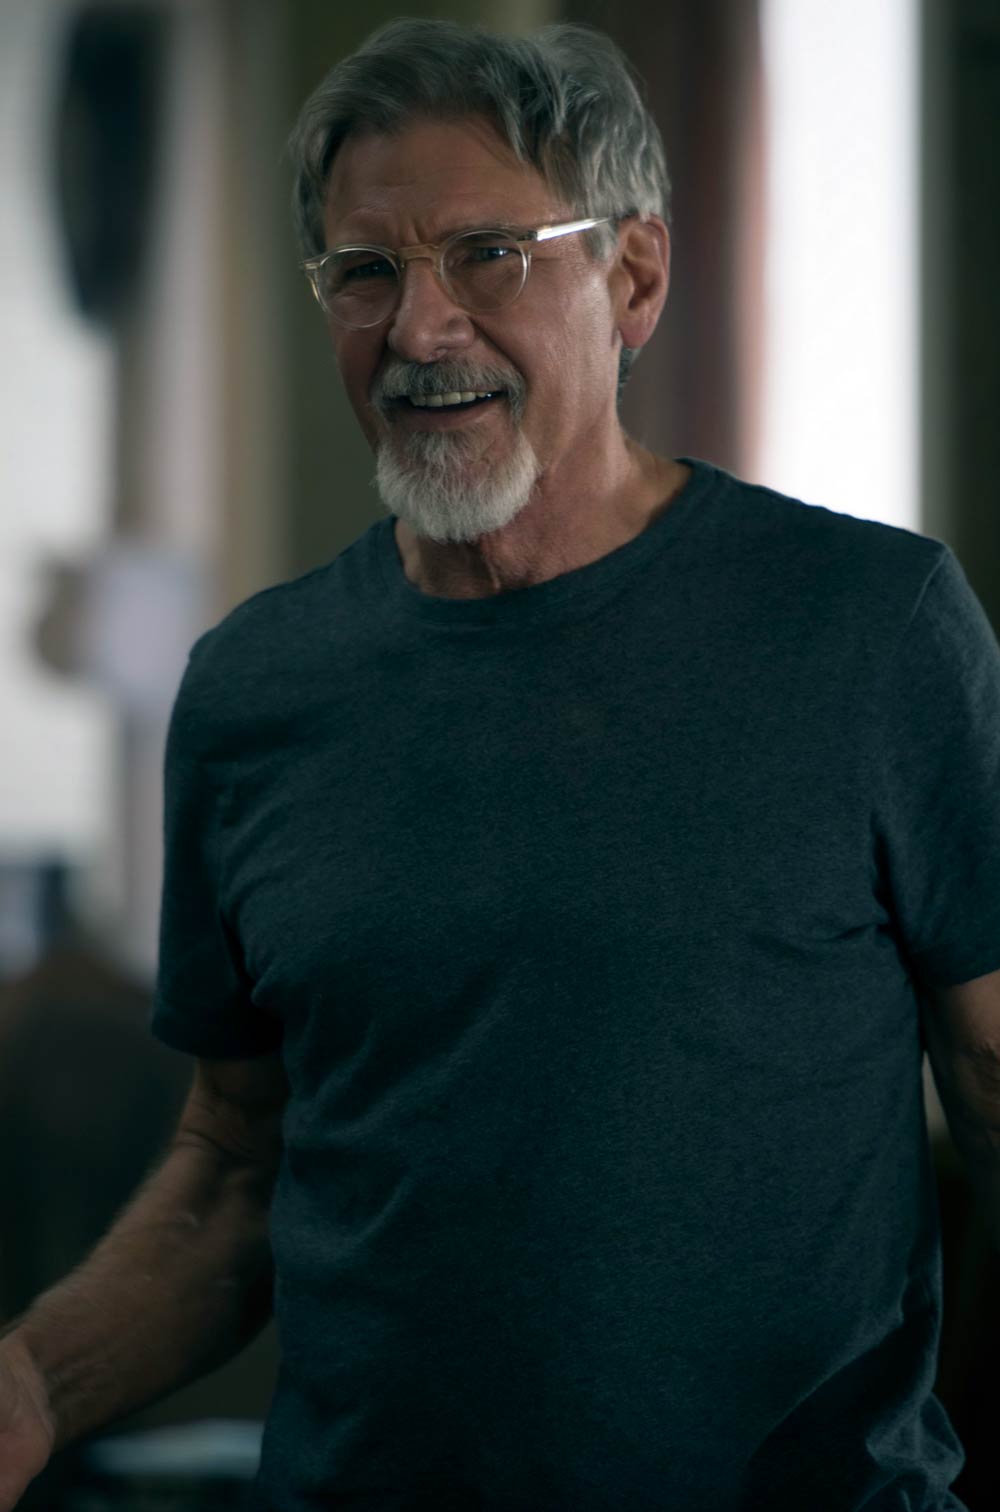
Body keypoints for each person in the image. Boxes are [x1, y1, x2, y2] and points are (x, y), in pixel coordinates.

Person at [2, 16, 1000, 1512]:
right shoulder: (254, 689)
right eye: (365, 270)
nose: (419, 329)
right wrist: (31, 1384)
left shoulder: (874, 627)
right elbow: (236, 1165)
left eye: (488, 255)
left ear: (635, 277)